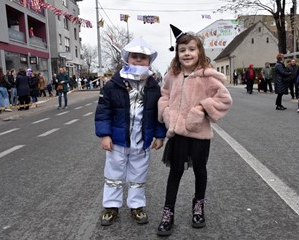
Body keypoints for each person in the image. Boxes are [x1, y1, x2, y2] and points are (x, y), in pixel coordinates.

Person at [156, 24, 233, 236]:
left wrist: (202, 108)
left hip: (199, 134)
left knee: (200, 170)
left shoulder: (208, 76)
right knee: (175, 172)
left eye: (191, 49)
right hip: (177, 133)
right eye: (182, 50)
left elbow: (224, 99)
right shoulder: (172, 75)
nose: (187, 53)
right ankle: (168, 212)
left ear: (199, 52)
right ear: (177, 53)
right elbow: (163, 95)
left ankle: (198, 207)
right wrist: (167, 112)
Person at [94, 37, 166, 226]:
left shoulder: (153, 86)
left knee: (138, 175)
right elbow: (103, 111)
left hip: (142, 141)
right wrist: (104, 134)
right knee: (113, 175)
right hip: (118, 140)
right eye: (135, 56)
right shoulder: (113, 84)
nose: (139, 60)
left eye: (143, 57)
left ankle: (136, 206)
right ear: (127, 58)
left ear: (149, 61)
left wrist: (160, 135)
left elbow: (159, 113)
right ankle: (111, 207)